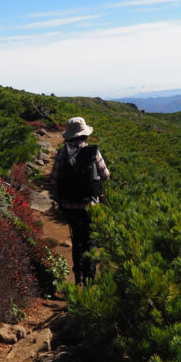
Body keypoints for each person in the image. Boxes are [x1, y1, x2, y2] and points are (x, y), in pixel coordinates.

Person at [50, 116, 110, 285]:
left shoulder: (62, 153)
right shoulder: (92, 152)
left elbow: (54, 178)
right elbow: (106, 175)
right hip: (90, 204)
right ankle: (90, 279)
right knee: (90, 241)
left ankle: (78, 279)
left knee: (77, 240)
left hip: (69, 204)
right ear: (85, 135)